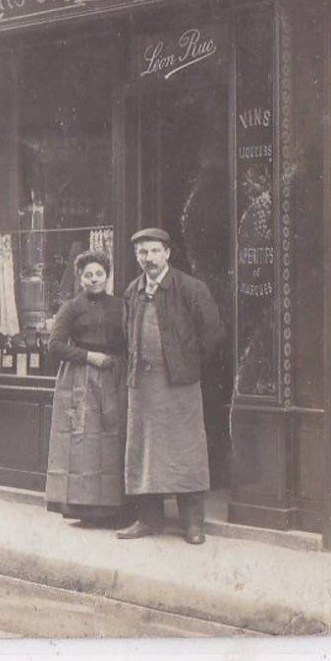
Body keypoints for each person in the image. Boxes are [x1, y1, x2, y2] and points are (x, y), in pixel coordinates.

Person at [118, 228, 224, 545]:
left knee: (186, 450)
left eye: (153, 251)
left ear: (167, 253)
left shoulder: (191, 288)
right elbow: (127, 334)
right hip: (142, 384)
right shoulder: (132, 291)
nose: (147, 259)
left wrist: (185, 364)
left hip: (179, 383)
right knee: (144, 450)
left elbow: (213, 334)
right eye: (142, 253)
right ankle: (149, 520)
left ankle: (193, 524)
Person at [45, 249, 130, 527]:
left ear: (108, 275)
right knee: (84, 441)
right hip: (80, 380)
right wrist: (88, 356)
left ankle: (115, 511)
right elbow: (55, 345)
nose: (94, 280)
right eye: (88, 275)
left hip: (114, 377)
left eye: (99, 274)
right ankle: (86, 509)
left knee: (112, 438)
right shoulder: (71, 307)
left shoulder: (120, 305)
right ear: (80, 278)